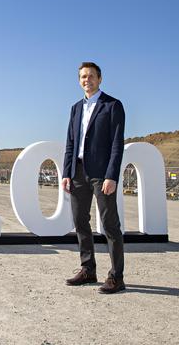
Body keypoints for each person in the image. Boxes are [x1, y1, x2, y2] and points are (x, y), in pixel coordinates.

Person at [61, 62, 126, 294]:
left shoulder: (113, 106)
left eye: (90, 76)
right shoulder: (76, 108)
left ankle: (116, 277)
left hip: (101, 175)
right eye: (82, 77)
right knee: (80, 221)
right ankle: (88, 269)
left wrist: (111, 175)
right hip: (78, 172)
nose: (86, 80)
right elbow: (71, 143)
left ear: (99, 79)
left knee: (110, 225)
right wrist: (67, 173)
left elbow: (117, 145)